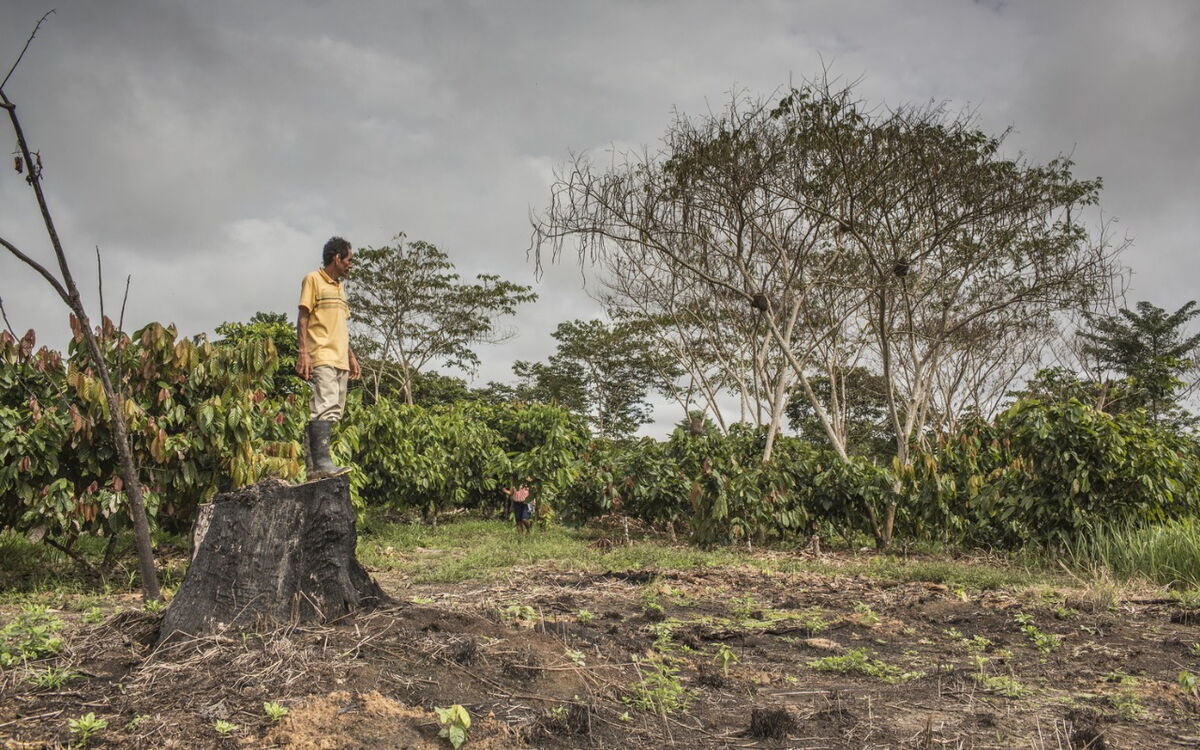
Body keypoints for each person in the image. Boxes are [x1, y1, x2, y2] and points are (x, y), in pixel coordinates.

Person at [296, 236, 361, 479]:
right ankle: (322, 464)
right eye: (349, 260)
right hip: (321, 353)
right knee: (324, 406)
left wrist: (351, 356)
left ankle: (315, 468)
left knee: (333, 410)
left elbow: (341, 326)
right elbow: (303, 317)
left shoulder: (339, 288)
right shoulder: (313, 279)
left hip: (340, 357)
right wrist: (303, 352)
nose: (350, 265)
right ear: (337, 257)